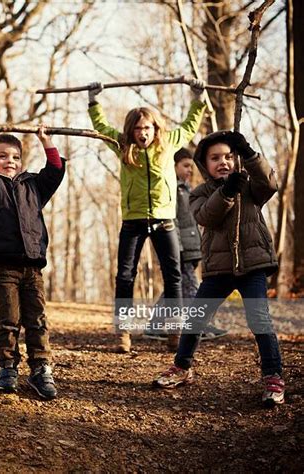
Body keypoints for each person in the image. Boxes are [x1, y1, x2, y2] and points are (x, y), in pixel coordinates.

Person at [153, 131, 285, 407]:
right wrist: (226, 191)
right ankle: (182, 366)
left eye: (228, 156)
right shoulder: (198, 193)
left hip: (253, 265)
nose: (222, 162)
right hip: (218, 269)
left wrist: (248, 153)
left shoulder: (250, 185)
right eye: (215, 158)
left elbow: (270, 184)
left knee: (259, 319)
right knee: (195, 319)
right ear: (204, 164)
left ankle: (273, 375)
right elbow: (207, 216)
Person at [88, 80, 207, 352]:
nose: (143, 133)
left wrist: (198, 98)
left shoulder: (168, 145)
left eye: (147, 127)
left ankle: (174, 331)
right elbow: (101, 128)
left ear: (156, 129)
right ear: (131, 130)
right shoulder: (122, 147)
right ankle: (123, 332)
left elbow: (189, 125)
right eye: (138, 128)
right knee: (125, 276)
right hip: (133, 221)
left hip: (164, 220)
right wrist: (94, 102)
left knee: (173, 275)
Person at [0, 125, 65, 400]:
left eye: (15, 157)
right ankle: (7, 368)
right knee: (8, 320)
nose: (10, 162)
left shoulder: (32, 185)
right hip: (1, 267)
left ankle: (40, 368)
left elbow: (55, 171)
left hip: (32, 264)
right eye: (3, 157)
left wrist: (46, 140)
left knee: (37, 320)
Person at [145, 148, 228, 341]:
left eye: (191, 166)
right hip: (179, 249)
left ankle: (154, 326)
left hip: (191, 248)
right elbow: (171, 222)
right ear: (172, 166)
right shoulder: (172, 189)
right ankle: (202, 324)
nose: (189, 170)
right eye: (185, 166)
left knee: (176, 288)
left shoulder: (186, 189)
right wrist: (177, 249)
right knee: (192, 288)